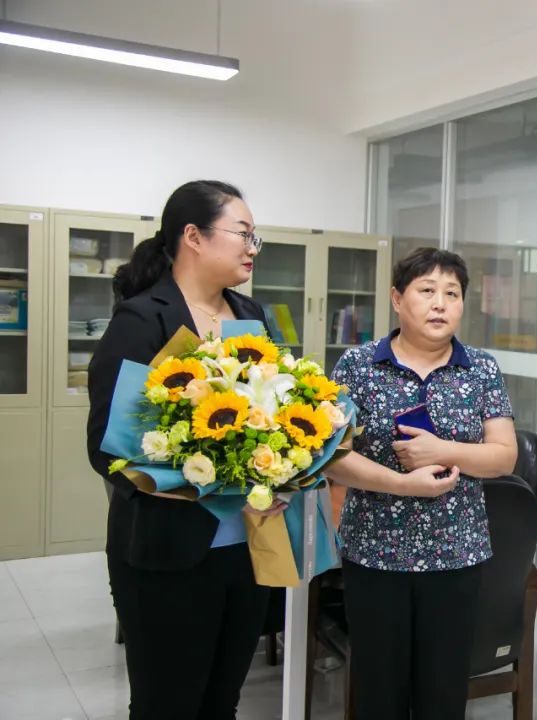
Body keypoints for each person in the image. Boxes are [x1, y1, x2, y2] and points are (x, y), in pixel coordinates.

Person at [87, 180, 284, 720]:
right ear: (193, 236)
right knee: (167, 704)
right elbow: (106, 446)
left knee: (223, 701)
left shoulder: (250, 313)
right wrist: (203, 480)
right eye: (243, 234)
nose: (252, 248)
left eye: (255, 237)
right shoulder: (142, 318)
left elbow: (279, 409)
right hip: (167, 552)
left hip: (246, 546)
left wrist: (284, 469)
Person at [326, 247, 518, 720]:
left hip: (456, 554)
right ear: (397, 298)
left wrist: (443, 450)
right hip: (375, 552)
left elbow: (503, 456)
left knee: (443, 693)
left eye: (452, 294)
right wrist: (400, 483)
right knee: (378, 693)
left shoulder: (481, 369)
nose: (440, 304)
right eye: (427, 291)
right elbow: (333, 458)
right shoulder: (357, 365)